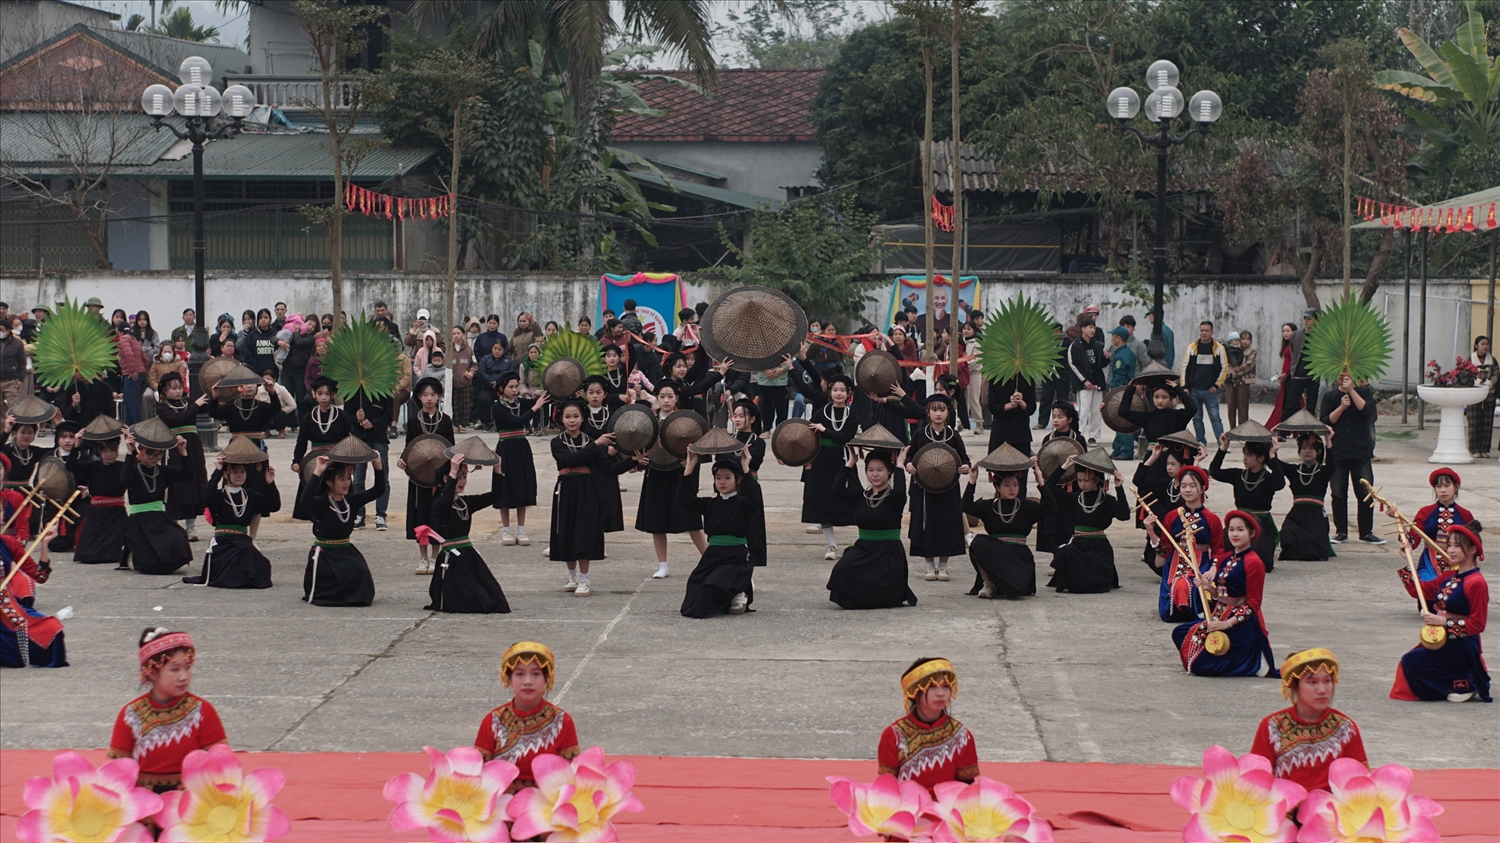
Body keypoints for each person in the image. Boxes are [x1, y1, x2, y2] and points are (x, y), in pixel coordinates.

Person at [108, 628, 227, 791]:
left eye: (188, 667)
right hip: (143, 801)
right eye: (175, 669)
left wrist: (201, 784)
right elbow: (118, 770)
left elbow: (221, 760)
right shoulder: (130, 715)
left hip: (191, 797)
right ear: (152, 672)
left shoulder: (202, 711)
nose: (184, 676)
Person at [1390, 525, 1490, 702]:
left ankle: (1462, 683)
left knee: (1411, 662)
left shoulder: (1476, 583)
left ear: (1473, 550)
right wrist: (1409, 562)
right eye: (1449, 545)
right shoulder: (1449, 576)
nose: (1450, 550)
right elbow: (1419, 591)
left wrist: (1443, 621)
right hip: (1444, 639)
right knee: (1410, 662)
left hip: (1463, 644)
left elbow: (1478, 624)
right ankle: (1462, 677)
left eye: (1457, 546)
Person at [1172, 510, 1277, 677]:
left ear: (1251, 533)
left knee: (1201, 666)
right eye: (1231, 529)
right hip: (1218, 615)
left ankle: (1254, 661)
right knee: (1179, 633)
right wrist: (1209, 588)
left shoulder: (1254, 562)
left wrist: (1226, 624)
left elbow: (1253, 604)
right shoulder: (1226, 558)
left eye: (1240, 530)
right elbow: (1222, 593)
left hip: (1240, 623)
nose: (1234, 534)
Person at [1248, 648, 1366, 792]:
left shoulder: (1345, 728)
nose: (1322, 690)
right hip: (1284, 809)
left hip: (1332, 811)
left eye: (1327, 681)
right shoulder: (1272, 726)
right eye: (1312, 682)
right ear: (1293, 685)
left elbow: (1361, 782)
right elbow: (1256, 778)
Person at [549, 401, 634, 596]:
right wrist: (596, 444)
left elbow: (608, 469)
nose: (572, 420)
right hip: (565, 490)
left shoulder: (589, 441)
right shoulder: (557, 442)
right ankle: (572, 576)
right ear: (561, 419)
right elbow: (570, 460)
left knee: (584, 533)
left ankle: (584, 579)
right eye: (568, 417)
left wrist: (632, 461)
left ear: (582, 418)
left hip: (587, 490)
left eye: (576, 416)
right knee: (566, 530)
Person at [474, 642, 580, 793]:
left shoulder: (562, 721)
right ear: (509, 679)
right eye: (519, 674)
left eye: (536, 674)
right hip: (500, 802)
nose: (528, 681)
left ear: (546, 678)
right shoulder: (493, 721)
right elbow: (479, 771)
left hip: (547, 803)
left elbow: (570, 773)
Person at [787, 352, 861, 560]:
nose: (838, 393)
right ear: (830, 390)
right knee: (822, 502)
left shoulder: (852, 414)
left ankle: (863, 541)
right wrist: (798, 458)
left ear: (849, 393)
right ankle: (831, 546)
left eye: (842, 390)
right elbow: (808, 437)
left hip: (843, 459)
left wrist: (824, 430)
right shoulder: (822, 411)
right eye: (835, 389)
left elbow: (845, 436)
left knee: (854, 498)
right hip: (821, 460)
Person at [827, 447, 918, 610]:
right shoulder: (861, 496)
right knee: (842, 570)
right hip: (864, 548)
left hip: (888, 552)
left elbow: (899, 490)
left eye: (880, 470)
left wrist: (899, 465)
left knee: (876, 586)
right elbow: (837, 489)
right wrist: (850, 463)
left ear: (888, 472)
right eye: (870, 470)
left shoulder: (894, 498)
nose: (875, 474)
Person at [635, 382, 707, 579]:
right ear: (656, 398)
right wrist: (640, 460)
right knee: (656, 519)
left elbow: (697, 447)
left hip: (679, 472)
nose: (666, 400)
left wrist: (687, 460)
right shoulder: (650, 422)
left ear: (677, 398)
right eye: (662, 396)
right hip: (656, 472)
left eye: (670, 396)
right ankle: (663, 565)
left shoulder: (685, 421)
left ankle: (708, 558)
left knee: (691, 518)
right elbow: (640, 447)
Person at [182, 444, 280, 588]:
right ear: (227, 474)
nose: (239, 475)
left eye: (242, 471)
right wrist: (217, 471)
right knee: (239, 556)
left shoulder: (250, 494)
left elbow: (273, 506)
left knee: (261, 564)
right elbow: (206, 497)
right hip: (224, 541)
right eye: (235, 471)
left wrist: (270, 484)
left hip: (242, 539)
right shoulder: (219, 495)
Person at [877, 658, 979, 794]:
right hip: (908, 809)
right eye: (932, 687)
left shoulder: (961, 736)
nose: (941, 693)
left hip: (948, 811)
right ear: (914, 692)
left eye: (946, 686)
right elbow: (886, 787)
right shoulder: (894, 736)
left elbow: (967, 788)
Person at [678, 448, 759, 618]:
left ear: (737, 480)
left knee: (713, 585)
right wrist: (690, 467)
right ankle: (732, 593)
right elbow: (683, 498)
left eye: (727, 478)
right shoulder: (710, 504)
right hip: (713, 554)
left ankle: (739, 591)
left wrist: (745, 466)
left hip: (735, 555)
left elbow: (754, 498)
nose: (722, 482)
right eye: (718, 478)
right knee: (695, 585)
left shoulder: (743, 503)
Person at [427, 454, 511, 613]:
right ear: (446, 479)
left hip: (468, 554)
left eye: (464, 476)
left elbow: (496, 495)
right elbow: (446, 500)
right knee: (469, 598)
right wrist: (452, 472)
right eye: (458, 477)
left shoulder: (466, 502)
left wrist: (497, 469)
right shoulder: (439, 504)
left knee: (493, 595)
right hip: (452, 556)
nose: (462, 481)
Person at [301, 450, 386, 607]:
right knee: (342, 573)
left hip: (346, 549)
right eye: (341, 479)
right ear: (329, 482)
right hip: (325, 552)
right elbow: (305, 500)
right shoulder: (321, 502)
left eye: (348, 478)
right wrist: (318, 471)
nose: (347, 483)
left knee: (359, 571)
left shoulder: (351, 501)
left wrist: (378, 465)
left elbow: (379, 490)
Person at [964, 458, 1052, 598]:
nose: (1012, 488)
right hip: (997, 553)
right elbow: (966, 506)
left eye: (1015, 485)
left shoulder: (1026, 506)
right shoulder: (989, 506)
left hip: (1018, 557)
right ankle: (988, 584)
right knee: (977, 541)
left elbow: (1051, 508)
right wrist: (972, 481)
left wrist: (1040, 481)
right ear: (998, 487)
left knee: (1015, 591)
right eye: (1007, 485)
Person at [1147, 466, 1225, 622]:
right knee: (1178, 585)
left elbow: (1218, 549)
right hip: (1174, 566)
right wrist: (1151, 532)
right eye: (1183, 486)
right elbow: (1166, 549)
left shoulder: (1211, 519)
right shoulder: (1171, 517)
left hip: (1201, 564)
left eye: (1192, 485)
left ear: (1203, 488)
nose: (1187, 490)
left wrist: (1213, 567)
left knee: (1196, 585)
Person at [906, 394, 970, 582]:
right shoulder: (919, 434)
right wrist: (909, 465)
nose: (938, 414)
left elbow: (964, 458)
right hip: (923, 488)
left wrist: (965, 466)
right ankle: (929, 566)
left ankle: (943, 566)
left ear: (948, 412)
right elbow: (910, 456)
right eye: (934, 410)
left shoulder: (954, 435)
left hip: (948, 488)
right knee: (926, 525)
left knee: (946, 524)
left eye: (942, 410)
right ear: (928, 412)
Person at [1046, 454, 1130, 594]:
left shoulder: (1107, 501)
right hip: (1078, 545)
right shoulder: (1074, 498)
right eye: (1079, 480)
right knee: (1064, 551)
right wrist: (1064, 467)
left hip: (1099, 549)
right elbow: (1048, 488)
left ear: (1096, 480)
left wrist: (1119, 488)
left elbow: (1124, 515)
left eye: (1086, 480)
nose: (1082, 484)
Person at [120, 424, 193, 575]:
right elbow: (125, 479)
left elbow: (187, 475)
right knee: (149, 562)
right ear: (142, 452)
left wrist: (183, 452)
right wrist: (129, 452)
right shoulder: (134, 469)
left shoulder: (163, 471)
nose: (155, 459)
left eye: (159, 455)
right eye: (151, 455)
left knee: (178, 538)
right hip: (139, 520)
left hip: (159, 517)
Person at [1318, 372, 1382, 545]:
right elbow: (1325, 421)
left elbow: (1368, 413)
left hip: (1360, 450)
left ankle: (1366, 531)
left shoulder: (1364, 392)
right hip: (1338, 450)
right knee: (1338, 492)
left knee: (1365, 492)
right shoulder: (1330, 396)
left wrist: (1352, 391)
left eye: (1347, 373)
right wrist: (1341, 407)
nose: (1342, 376)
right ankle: (1341, 531)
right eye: (1340, 373)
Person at [400, 377, 454, 575]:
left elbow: (451, 448)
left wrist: (453, 472)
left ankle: (435, 556)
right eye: (424, 395)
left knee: (437, 516)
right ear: (419, 398)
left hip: (439, 478)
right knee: (421, 515)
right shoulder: (414, 420)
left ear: (438, 396)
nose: (429, 398)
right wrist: (402, 460)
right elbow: (409, 447)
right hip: (418, 478)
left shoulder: (445, 420)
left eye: (432, 394)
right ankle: (422, 558)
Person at [1209, 434, 1285, 571]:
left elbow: (1280, 483)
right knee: (1226, 556)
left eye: (1249, 455)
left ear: (1261, 458)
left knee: (1262, 564)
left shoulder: (1268, 478)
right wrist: (1223, 448)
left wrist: (1273, 455)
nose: (1245, 458)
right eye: (1245, 454)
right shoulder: (1238, 475)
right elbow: (1214, 472)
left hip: (1260, 524)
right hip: (1239, 521)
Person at [491, 372, 547, 546]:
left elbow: (544, 400)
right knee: (504, 489)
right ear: (502, 388)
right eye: (511, 387)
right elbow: (517, 422)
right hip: (505, 448)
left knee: (522, 487)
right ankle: (506, 531)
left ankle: (521, 530)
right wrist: (535, 408)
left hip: (521, 447)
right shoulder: (497, 406)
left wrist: (552, 390)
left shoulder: (520, 403)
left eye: (516, 386)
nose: (515, 390)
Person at [154, 372, 207, 542]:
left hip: (193, 446)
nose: (178, 391)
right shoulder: (162, 407)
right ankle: (173, 525)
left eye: (179, 388)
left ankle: (191, 527)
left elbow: (207, 408)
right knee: (177, 485)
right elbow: (178, 419)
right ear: (164, 390)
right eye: (173, 388)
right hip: (174, 448)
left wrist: (214, 393)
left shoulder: (188, 402)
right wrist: (195, 405)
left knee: (194, 481)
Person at [291, 376, 350, 521]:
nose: (323, 397)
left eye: (327, 393)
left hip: (336, 459)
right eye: (320, 393)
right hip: (315, 462)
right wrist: (296, 460)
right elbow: (301, 441)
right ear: (313, 394)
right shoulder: (309, 417)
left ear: (333, 395)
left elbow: (348, 441)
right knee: (314, 490)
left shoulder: (341, 416)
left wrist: (349, 462)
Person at [1405, 468, 1475, 588]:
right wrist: (1400, 524)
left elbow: (1473, 545)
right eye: (1438, 486)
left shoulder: (1465, 515)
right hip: (1429, 564)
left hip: (1457, 564)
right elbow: (1413, 541)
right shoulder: (1425, 512)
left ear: (1456, 487)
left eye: (1447, 485)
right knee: (1427, 593)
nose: (1443, 490)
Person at [72, 425, 129, 565]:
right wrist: (77, 445)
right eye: (105, 450)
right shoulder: (93, 466)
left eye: (112, 450)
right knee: (88, 554)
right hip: (96, 513)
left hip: (117, 514)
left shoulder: (123, 467)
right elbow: (71, 467)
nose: (109, 454)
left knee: (114, 551)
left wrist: (130, 446)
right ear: (99, 452)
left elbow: (136, 465)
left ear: (117, 451)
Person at [1273, 433, 1335, 562]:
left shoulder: (1323, 471)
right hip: (1297, 514)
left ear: (1318, 452)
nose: (1307, 451)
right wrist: (1273, 445)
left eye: (1312, 448)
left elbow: (1332, 464)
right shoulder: (1294, 470)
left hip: (1316, 515)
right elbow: (1275, 464)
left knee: (1316, 546)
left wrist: (1328, 440)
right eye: (1304, 448)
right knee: (1288, 534)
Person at [347, 390, 392, 531]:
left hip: (379, 438)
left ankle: (380, 515)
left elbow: (389, 415)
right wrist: (357, 418)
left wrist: (373, 423)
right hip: (360, 439)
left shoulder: (384, 389)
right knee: (358, 479)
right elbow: (347, 415)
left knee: (383, 478)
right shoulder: (353, 390)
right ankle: (359, 514)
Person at [1179, 321, 1228, 447]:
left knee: (1215, 417)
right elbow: (1184, 367)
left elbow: (1224, 368)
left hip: (1209, 390)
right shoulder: (1192, 347)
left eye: (1207, 330)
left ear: (1212, 332)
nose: (1204, 333)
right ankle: (1200, 441)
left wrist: (1217, 385)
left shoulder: (1219, 348)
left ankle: (1221, 441)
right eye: (1202, 330)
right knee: (1196, 418)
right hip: (1194, 389)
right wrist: (1185, 386)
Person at [1068, 321, 1106, 443]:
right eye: (1090, 327)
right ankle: (1079, 435)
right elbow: (1072, 364)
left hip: (1097, 382)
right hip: (1084, 385)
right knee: (1083, 410)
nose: (1093, 330)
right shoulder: (1076, 345)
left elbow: (1101, 364)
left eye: (1094, 327)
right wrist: (1084, 380)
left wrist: (1107, 358)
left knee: (1096, 410)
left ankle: (1093, 436)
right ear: (1083, 329)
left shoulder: (1097, 345)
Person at [1106, 327, 1139, 459]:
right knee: (1119, 421)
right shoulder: (1128, 352)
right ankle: (1118, 448)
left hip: (1122, 392)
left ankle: (1126, 450)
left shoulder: (1120, 355)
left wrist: (1114, 391)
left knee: (1122, 422)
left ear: (1118, 338)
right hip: (1127, 391)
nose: (1112, 338)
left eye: (1113, 336)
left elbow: (1119, 375)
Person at [1265, 323, 1297, 429]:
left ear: (1294, 331)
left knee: (1290, 403)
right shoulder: (1287, 344)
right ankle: (1287, 428)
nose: (1285, 333)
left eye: (1288, 331)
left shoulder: (1295, 344)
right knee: (1286, 402)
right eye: (1284, 331)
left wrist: (1286, 373)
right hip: (1285, 377)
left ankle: (1285, 428)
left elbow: (1294, 361)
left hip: (1291, 377)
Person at [1468, 336, 1495, 458]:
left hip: (1489, 394)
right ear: (1476, 345)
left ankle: (1484, 449)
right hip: (1473, 395)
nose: (1485, 347)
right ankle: (1474, 449)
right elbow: (1464, 373)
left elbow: (1496, 374)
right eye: (1482, 344)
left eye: (1487, 344)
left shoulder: (1493, 360)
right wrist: (1476, 382)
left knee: (1487, 423)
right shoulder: (1470, 360)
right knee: (1474, 423)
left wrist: (1489, 383)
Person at [1289, 309, 1320, 414]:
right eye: (1305, 318)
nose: (1306, 321)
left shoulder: (1320, 336)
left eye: (1309, 319)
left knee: (1311, 407)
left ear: (1315, 319)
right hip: (1298, 375)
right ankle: (1285, 430)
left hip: (1313, 377)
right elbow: (1293, 352)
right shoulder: (1296, 335)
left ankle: (1308, 430)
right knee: (1290, 405)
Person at [1225, 330, 1256, 429]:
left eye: (1248, 339)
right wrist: (1231, 371)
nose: (1245, 341)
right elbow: (1226, 363)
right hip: (1230, 381)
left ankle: (1243, 430)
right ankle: (1232, 429)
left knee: (1243, 407)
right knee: (1231, 406)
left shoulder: (1252, 352)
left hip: (1244, 381)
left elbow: (1249, 365)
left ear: (1250, 341)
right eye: (1243, 339)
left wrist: (1236, 371)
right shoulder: (1231, 350)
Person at [450, 326, 476, 432]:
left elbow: (474, 363)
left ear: (463, 334)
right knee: (455, 404)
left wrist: (471, 372)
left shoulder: (469, 349)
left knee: (465, 404)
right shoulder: (449, 349)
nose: (456, 335)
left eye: (458, 333)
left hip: (466, 381)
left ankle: (464, 425)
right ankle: (456, 424)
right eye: (454, 333)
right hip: (453, 382)